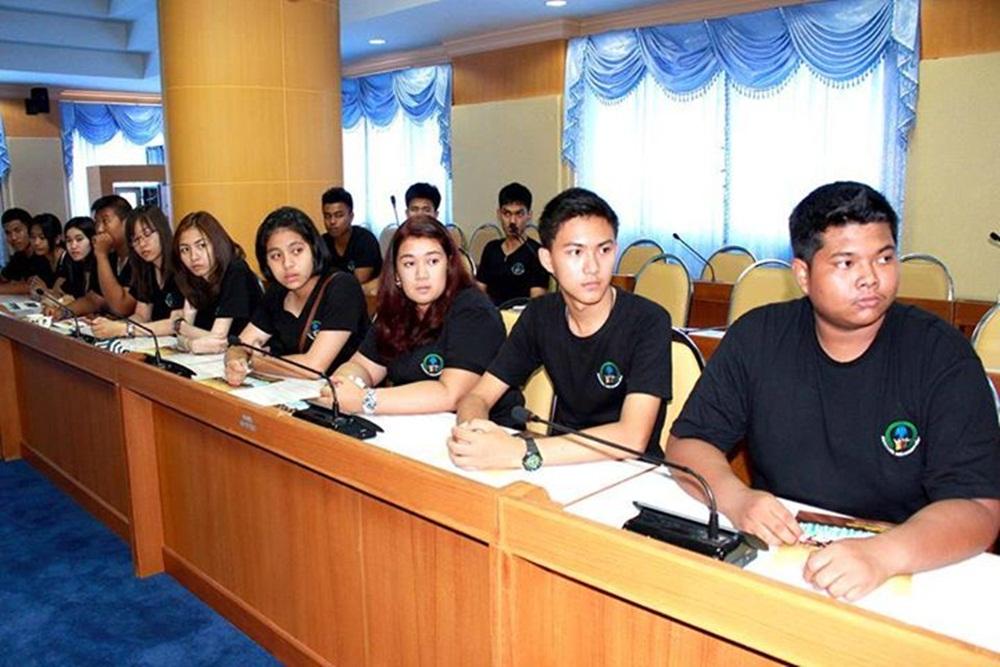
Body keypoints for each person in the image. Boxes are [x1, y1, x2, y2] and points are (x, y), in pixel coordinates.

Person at [666, 181, 1000, 601]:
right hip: (782, 556)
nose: (870, 278)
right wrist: (737, 499)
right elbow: (687, 443)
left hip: (906, 564)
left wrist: (883, 555)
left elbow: (978, 508)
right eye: (846, 263)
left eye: (884, 258)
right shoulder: (758, 337)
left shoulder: (941, 354)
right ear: (803, 275)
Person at [449, 188, 672, 469]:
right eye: (576, 252)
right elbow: (478, 396)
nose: (592, 267)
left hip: (632, 471)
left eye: (604, 250)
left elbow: (632, 437)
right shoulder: (540, 315)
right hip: (559, 463)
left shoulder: (649, 320)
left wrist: (521, 451)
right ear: (547, 260)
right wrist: (474, 434)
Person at [323, 215, 522, 426]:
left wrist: (364, 399)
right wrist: (344, 384)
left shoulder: (474, 310)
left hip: (484, 432)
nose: (421, 274)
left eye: (432, 261)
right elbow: (362, 366)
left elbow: (452, 394)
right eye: (409, 263)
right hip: (414, 424)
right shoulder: (396, 309)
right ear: (396, 274)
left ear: (449, 265)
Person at [224, 207, 369, 385]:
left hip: (341, 394)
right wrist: (236, 362)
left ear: (314, 249)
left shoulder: (342, 287)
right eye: (276, 256)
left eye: (297, 251)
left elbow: (314, 367)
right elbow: (239, 345)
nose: (287, 264)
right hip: (292, 391)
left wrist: (256, 362)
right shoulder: (277, 292)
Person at [172, 211, 263, 354]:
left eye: (202, 245)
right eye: (185, 250)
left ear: (217, 243)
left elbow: (218, 340)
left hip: (247, 358)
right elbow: (181, 339)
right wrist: (187, 337)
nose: (193, 257)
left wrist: (183, 328)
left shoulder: (236, 271)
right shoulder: (193, 277)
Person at [90, 206, 183, 339]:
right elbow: (142, 315)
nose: (142, 244)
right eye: (136, 240)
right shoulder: (146, 269)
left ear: (162, 231)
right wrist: (113, 326)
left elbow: (175, 324)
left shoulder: (180, 267)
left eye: (147, 234)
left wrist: (124, 329)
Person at [475, 182, 548, 305]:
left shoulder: (536, 253)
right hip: (490, 314)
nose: (512, 221)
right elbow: (478, 293)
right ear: (499, 214)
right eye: (507, 214)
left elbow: (537, 303)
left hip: (523, 315)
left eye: (519, 214)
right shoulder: (491, 249)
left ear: (529, 215)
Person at [65, 195, 136, 317]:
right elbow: (94, 299)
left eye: (105, 221)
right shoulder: (111, 255)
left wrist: (101, 255)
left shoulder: (137, 257)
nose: (99, 229)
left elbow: (122, 307)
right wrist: (64, 311)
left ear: (126, 223)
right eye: (97, 223)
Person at [320, 187, 382, 284]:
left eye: (339, 215)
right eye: (327, 216)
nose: (332, 221)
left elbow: (358, 284)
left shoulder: (365, 240)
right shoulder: (322, 243)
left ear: (351, 216)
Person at [0, 207, 43, 295]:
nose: (13, 237)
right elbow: (4, 277)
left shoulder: (42, 253)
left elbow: (32, 287)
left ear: (30, 230)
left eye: (17, 230)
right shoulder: (19, 256)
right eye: (8, 233)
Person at [56, 216, 97, 300]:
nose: (73, 246)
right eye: (69, 241)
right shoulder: (70, 262)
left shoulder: (100, 263)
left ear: (92, 240)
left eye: (79, 239)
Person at [27, 213, 67, 290]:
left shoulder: (66, 259)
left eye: (42, 238)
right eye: (33, 237)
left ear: (57, 238)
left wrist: (44, 290)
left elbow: (58, 293)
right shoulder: (39, 258)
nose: (36, 243)